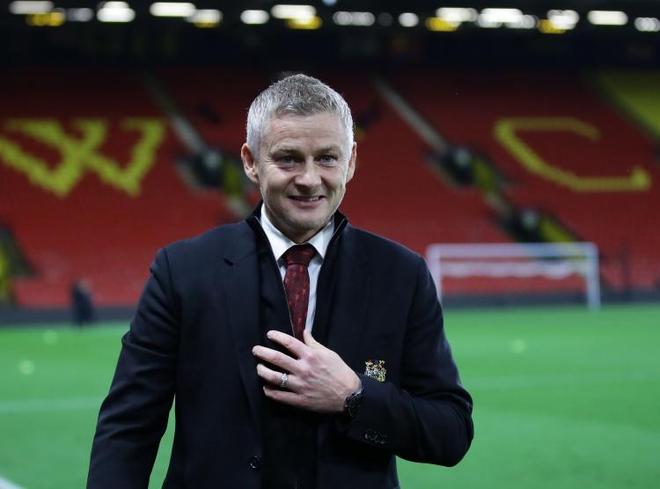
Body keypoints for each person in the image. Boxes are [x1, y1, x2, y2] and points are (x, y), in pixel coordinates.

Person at [87, 74, 473, 489]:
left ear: (351, 162)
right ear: (250, 161)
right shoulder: (182, 271)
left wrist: (354, 397)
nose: (309, 179)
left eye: (327, 158)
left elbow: (450, 431)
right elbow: (128, 428)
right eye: (288, 158)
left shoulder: (401, 275)